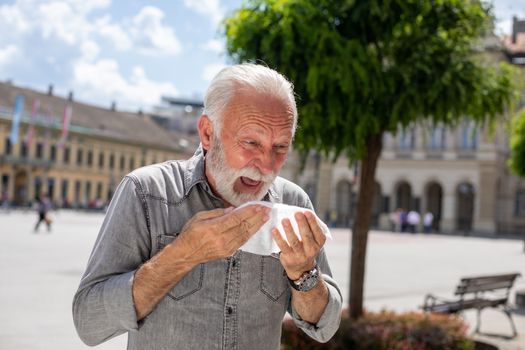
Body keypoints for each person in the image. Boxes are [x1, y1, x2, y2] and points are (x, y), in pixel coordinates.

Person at [72, 64, 342, 349]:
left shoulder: (293, 203)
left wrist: (304, 274)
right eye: (251, 142)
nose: (266, 165)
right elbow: (90, 322)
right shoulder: (147, 192)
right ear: (207, 133)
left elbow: (325, 326)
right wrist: (182, 255)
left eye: (280, 147)